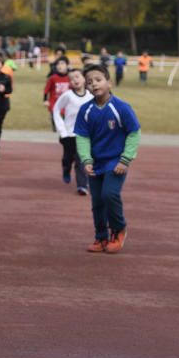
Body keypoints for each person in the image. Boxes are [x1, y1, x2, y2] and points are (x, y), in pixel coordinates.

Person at [74, 65, 141, 254]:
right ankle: (101, 237)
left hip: (116, 161)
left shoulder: (121, 108)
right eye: (89, 82)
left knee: (109, 194)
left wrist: (125, 159)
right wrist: (86, 160)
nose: (93, 84)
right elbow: (82, 137)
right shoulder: (85, 110)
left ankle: (119, 230)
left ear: (109, 83)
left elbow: (134, 133)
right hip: (96, 163)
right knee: (97, 202)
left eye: (98, 80)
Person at [52, 68, 93, 195]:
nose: (74, 80)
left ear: (84, 79)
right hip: (69, 134)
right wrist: (62, 131)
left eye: (77, 77)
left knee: (81, 159)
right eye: (71, 78)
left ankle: (82, 185)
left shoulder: (91, 96)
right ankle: (66, 169)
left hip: (84, 135)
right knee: (68, 158)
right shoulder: (67, 96)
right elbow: (56, 110)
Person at [43, 56, 71, 130]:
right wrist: (45, 100)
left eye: (62, 64)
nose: (59, 66)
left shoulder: (70, 77)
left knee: (66, 125)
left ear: (67, 65)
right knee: (56, 123)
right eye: (58, 64)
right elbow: (46, 90)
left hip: (66, 104)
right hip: (54, 103)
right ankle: (54, 131)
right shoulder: (52, 78)